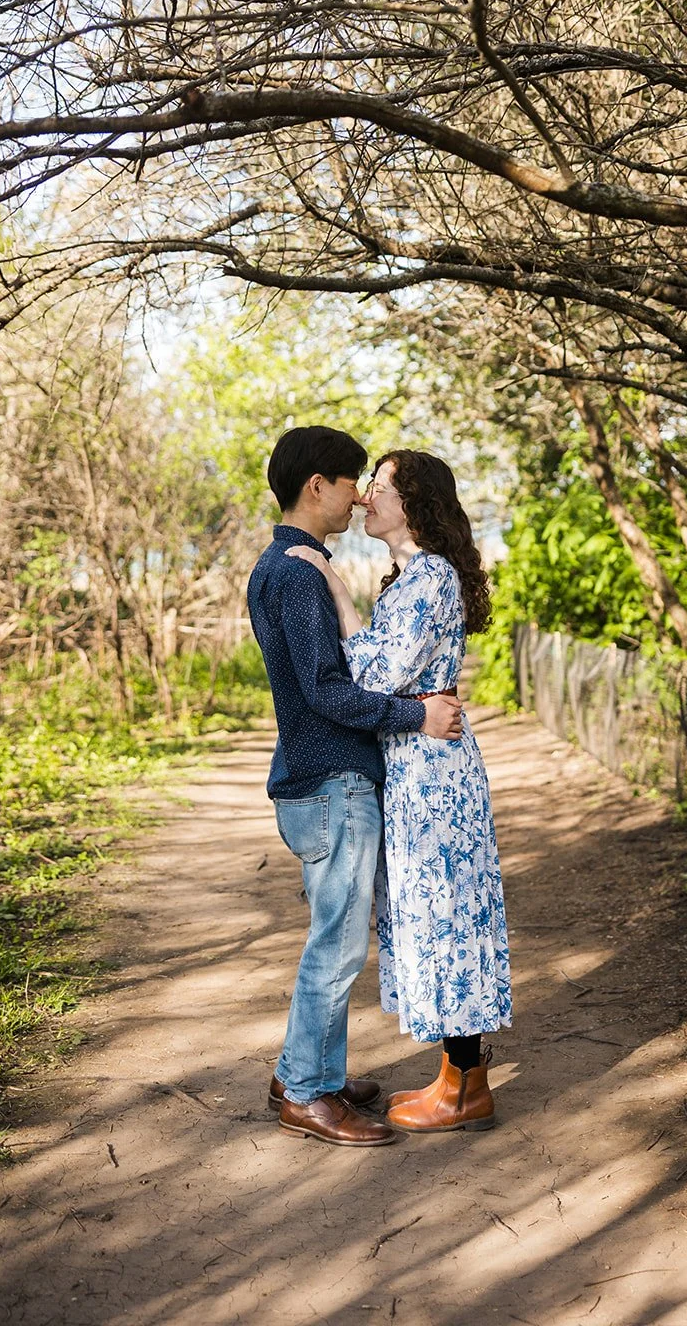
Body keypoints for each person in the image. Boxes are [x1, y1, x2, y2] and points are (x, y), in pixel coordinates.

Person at [246, 426, 464, 1149]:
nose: (359, 496)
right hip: (331, 781)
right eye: (351, 483)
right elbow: (330, 692)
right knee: (336, 947)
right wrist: (418, 715)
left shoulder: (284, 566)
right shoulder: (300, 575)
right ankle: (307, 1095)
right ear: (319, 486)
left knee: (332, 939)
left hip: (322, 779)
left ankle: (307, 1072)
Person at [287, 449, 512, 1132]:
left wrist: (334, 588)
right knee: (431, 916)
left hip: (434, 772)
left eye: (379, 487)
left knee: (449, 915)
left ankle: (466, 1087)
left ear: (414, 502)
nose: (365, 499)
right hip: (416, 763)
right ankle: (456, 1077)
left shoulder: (431, 576)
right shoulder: (413, 577)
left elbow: (374, 674)